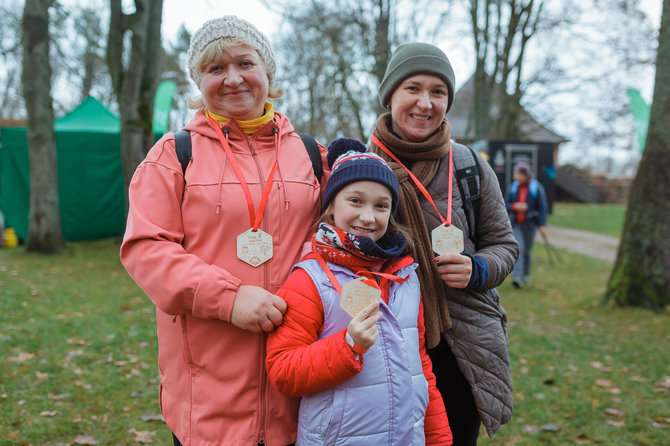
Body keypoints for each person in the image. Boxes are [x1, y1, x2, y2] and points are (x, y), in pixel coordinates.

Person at [120, 16, 328, 446]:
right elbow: (146, 250)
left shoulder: (313, 156)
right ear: (200, 82)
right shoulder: (173, 155)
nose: (233, 79)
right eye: (215, 69)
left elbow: (337, 240)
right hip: (207, 405)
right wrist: (230, 299)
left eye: (244, 63)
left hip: (299, 397)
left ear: (267, 72)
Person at [369, 42, 519, 445]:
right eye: (413, 88)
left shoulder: (470, 166)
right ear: (390, 97)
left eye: (438, 92)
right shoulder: (361, 168)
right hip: (386, 343)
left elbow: (504, 244)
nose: (425, 102)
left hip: (461, 347)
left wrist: (479, 268)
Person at [266, 138, 453, 445]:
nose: (368, 217)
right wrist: (348, 346)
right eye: (355, 201)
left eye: (381, 205)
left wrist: (439, 439)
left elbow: (419, 368)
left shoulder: (406, 275)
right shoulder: (310, 279)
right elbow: (283, 370)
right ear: (331, 206)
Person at [505, 161, 548, 288]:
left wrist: (542, 224)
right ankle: (516, 277)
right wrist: (514, 206)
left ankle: (525, 275)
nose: (516, 177)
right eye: (515, 174)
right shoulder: (513, 187)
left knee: (527, 251)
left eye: (518, 174)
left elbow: (542, 207)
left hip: (530, 224)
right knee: (520, 249)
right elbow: (505, 204)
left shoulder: (536, 188)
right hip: (516, 223)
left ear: (526, 175)